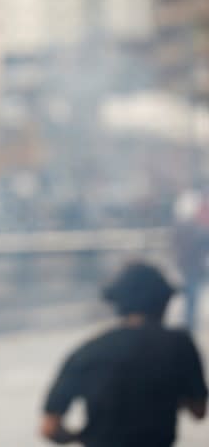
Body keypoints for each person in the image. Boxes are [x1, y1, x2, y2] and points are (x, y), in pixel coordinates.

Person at [40, 260, 208, 446]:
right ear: (163, 301)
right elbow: (198, 410)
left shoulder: (89, 351)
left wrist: (81, 436)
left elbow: (50, 428)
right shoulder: (179, 345)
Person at [172, 190, 209, 331]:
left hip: (190, 267)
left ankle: (189, 324)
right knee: (191, 299)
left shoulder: (184, 228)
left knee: (191, 298)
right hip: (191, 268)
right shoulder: (190, 229)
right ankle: (189, 325)